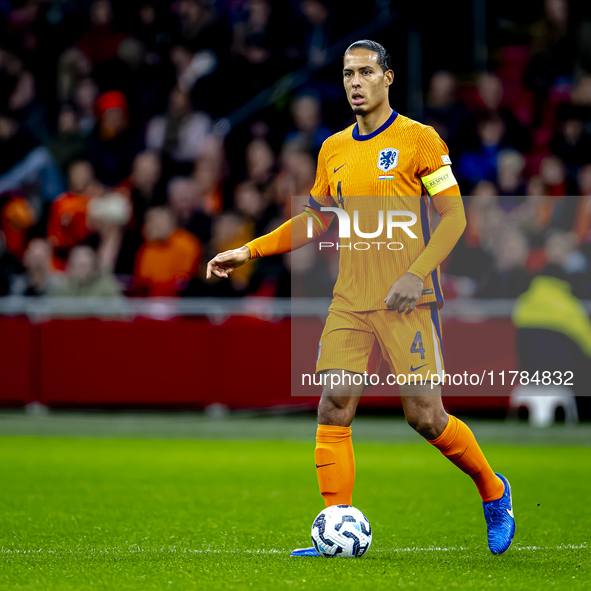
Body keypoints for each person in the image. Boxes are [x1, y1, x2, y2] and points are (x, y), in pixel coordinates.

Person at [207, 40, 515, 556]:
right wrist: (249, 250)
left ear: (388, 78)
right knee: (333, 406)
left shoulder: (420, 139)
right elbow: (317, 218)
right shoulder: (333, 148)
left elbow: (454, 217)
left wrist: (416, 275)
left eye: (366, 72)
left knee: (425, 417)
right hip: (350, 300)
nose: (355, 81)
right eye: (348, 73)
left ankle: (494, 491)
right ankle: (335, 525)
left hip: (407, 301)